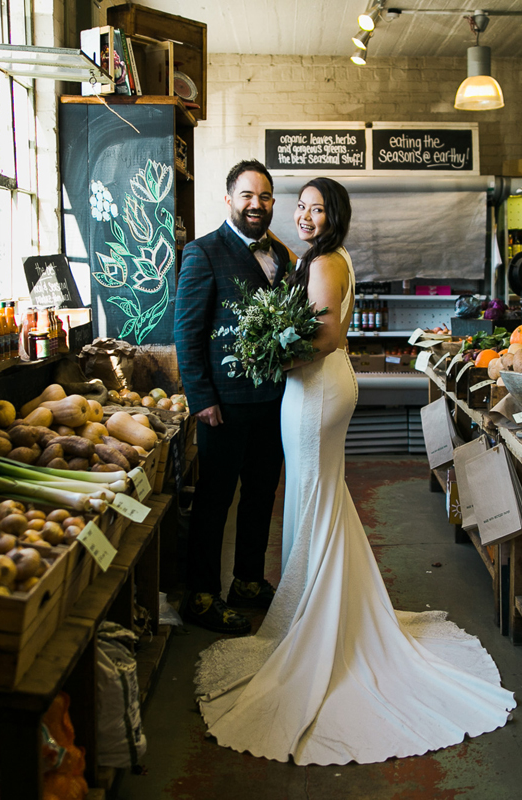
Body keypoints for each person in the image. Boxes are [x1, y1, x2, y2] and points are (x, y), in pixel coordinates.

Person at [192, 178, 516, 765]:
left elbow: (328, 334)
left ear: (334, 215)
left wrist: (270, 354)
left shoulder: (324, 262)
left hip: (315, 389)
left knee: (314, 496)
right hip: (313, 388)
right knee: (318, 497)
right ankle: (312, 603)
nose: (306, 216)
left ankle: (317, 620)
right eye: (302, 207)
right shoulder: (313, 257)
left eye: (318, 209)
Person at [173, 159, 292, 634]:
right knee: (215, 498)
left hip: (273, 402)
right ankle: (201, 596)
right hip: (221, 404)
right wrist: (201, 397)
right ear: (228, 200)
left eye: (264, 197)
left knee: (262, 495)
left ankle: (246, 580)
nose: (256, 205)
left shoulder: (280, 254)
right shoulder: (203, 252)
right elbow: (187, 331)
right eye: (247, 196)